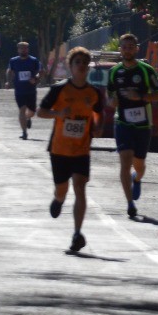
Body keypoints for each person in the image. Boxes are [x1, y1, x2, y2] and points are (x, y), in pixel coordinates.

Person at [38, 46, 104, 253]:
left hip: (81, 150)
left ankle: (77, 233)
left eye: (85, 63)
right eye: (77, 63)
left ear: (88, 67)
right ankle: (58, 200)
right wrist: (58, 114)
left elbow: (99, 114)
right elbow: (41, 112)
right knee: (62, 189)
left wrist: (98, 126)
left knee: (80, 188)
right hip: (59, 149)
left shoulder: (94, 93)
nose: (81, 66)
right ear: (70, 66)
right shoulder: (59, 89)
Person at [106, 33, 158, 219]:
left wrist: (141, 97)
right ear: (120, 50)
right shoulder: (114, 72)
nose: (127, 50)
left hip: (143, 125)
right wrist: (112, 102)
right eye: (124, 47)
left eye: (131, 47)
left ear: (137, 49)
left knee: (139, 164)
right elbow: (109, 96)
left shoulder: (146, 70)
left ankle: (137, 179)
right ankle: (130, 203)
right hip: (122, 123)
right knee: (125, 162)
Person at [7, 40, 42, 139]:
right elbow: (9, 71)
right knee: (22, 110)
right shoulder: (13, 61)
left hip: (31, 90)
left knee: (32, 112)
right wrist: (8, 81)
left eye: (25, 48)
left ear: (28, 49)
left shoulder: (33, 60)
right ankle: (24, 132)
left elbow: (41, 71)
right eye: (21, 48)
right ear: (18, 50)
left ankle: (28, 118)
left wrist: (35, 79)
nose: (23, 50)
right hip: (19, 90)